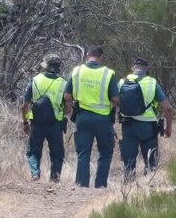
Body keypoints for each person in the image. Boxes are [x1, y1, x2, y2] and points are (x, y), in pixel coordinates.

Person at [63, 46, 119, 188]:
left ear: (88, 55)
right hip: (103, 119)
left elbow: (67, 96)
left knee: (83, 153)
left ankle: (82, 185)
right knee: (105, 152)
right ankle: (100, 185)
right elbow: (115, 99)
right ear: (101, 57)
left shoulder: (77, 71)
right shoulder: (108, 73)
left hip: (83, 117)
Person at [118, 58, 172, 179]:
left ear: (133, 68)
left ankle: (127, 187)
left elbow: (114, 102)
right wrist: (168, 127)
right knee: (151, 161)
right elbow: (167, 108)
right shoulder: (152, 83)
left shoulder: (122, 82)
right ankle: (150, 186)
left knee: (129, 162)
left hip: (128, 126)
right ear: (146, 69)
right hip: (148, 127)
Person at [21, 53, 68, 182]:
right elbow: (68, 108)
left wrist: (25, 123)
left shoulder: (35, 80)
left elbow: (24, 106)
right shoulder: (63, 84)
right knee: (57, 154)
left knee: (33, 152)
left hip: (37, 123)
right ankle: (55, 179)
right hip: (55, 125)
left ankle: (35, 174)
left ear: (45, 66)